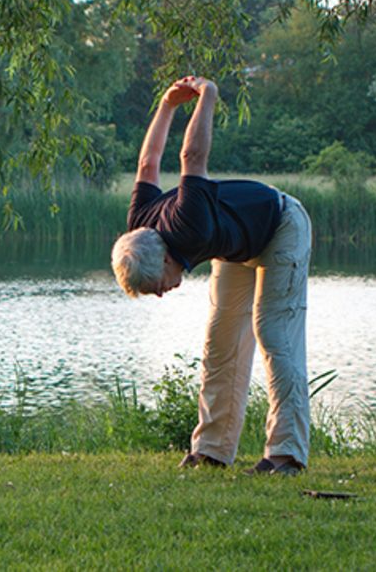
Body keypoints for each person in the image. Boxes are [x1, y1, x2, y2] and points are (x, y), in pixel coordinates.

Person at [110, 75, 313, 476]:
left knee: (273, 333)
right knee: (220, 343)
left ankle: (287, 454)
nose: (163, 294)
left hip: (281, 226)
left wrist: (208, 97)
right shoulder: (139, 225)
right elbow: (148, 163)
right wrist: (166, 105)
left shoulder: (189, 224)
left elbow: (192, 157)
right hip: (236, 245)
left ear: (166, 259)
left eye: (157, 288)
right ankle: (211, 450)